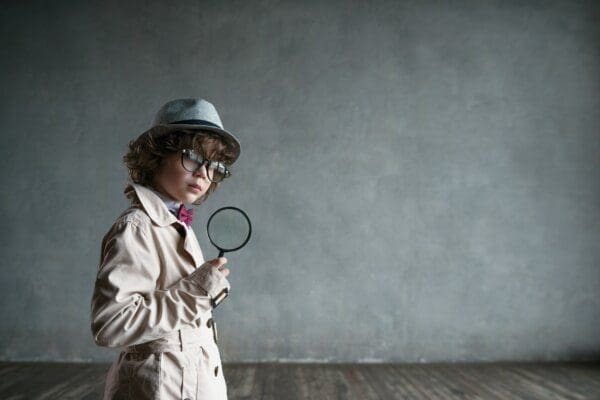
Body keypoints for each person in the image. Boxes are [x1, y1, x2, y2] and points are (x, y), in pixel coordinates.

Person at [90, 98, 242, 400]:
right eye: (193, 157)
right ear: (155, 156)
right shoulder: (136, 227)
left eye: (213, 165)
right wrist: (196, 292)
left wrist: (203, 291)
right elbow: (111, 323)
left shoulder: (177, 224)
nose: (203, 173)